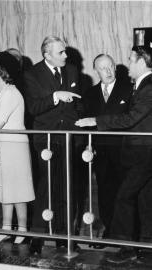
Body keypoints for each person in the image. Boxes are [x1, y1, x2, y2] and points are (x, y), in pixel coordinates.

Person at [75, 46, 152, 263]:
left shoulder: (147, 86)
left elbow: (130, 118)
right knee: (145, 200)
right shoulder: (143, 85)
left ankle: (126, 247)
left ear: (141, 62)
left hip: (142, 152)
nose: (126, 64)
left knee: (124, 197)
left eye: (130, 60)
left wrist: (96, 121)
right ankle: (145, 247)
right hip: (139, 152)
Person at [23, 35, 82, 254]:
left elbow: (78, 105)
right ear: (47, 55)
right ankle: (37, 237)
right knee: (47, 187)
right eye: (61, 52)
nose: (66, 55)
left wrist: (81, 133)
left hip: (68, 137)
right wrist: (56, 95)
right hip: (46, 139)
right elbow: (34, 108)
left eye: (65, 51)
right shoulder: (32, 75)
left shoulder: (73, 71)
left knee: (67, 189)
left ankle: (63, 237)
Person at [82, 54, 132, 244]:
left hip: (123, 152)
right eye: (103, 68)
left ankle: (126, 235)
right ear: (96, 70)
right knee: (104, 193)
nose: (109, 71)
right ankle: (109, 231)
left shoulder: (128, 89)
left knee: (124, 194)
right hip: (100, 153)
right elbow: (87, 124)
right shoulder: (91, 94)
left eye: (111, 66)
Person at [0, 51, 35, 244]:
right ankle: (6, 228)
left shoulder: (11, 93)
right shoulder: (2, 94)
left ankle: (22, 230)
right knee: (6, 188)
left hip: (15, 147)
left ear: (2, 73)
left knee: (18, 189)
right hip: (5, 146)